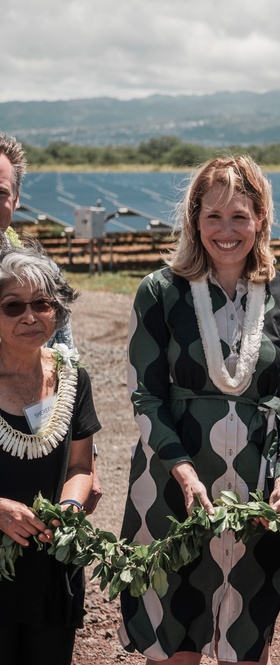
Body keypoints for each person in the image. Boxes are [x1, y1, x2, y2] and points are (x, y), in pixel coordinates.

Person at [118, 155, 280, 664]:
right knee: (176, 637)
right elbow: (145, 394)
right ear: (194, 220)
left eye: (240, 216)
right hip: (171, 480)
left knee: (246, 642)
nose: (226, 230)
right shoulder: (161, 293)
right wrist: (184, 474)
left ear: (262, 220)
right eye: (213, 216)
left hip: (261, 484)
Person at [0, 243, 100, 665]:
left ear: (57, 310)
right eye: (12, 306)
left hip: (50, 566)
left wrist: (71, 508)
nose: (29, 316)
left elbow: (81, 466)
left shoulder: (73, 378)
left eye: (42, 303)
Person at [0, 132, 101, 513]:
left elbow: (66, 360)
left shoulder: (41, 273)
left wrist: (89, 461)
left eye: (0, 193)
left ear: (16, 198)